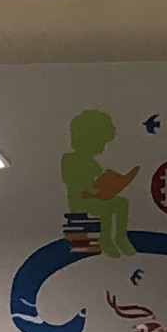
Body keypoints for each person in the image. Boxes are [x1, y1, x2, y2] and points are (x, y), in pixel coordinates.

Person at [58, 108, 136, 258]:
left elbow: (100, 177)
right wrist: (90, 190)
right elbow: (71, 182)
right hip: (79, 201)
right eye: (100, 142)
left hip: (94, 197)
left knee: (122, 203)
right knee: (106, 208)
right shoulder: (69, 159)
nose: (102, 147)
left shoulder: (91, 162)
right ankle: (105, 239)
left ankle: (120, 237)